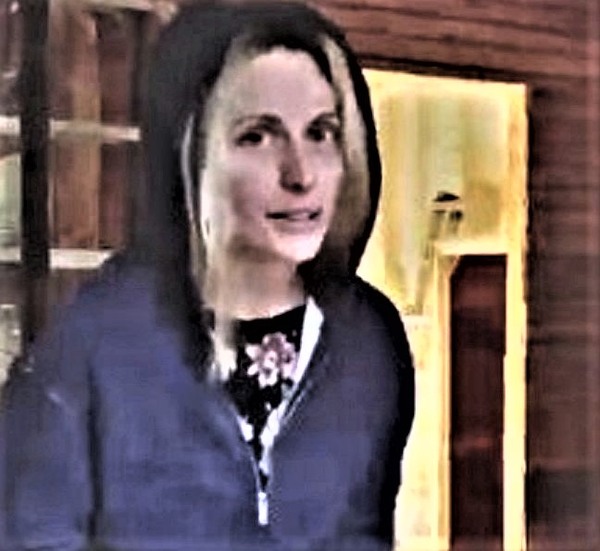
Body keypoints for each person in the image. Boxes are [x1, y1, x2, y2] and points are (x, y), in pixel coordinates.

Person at [0, 2, 415, 550]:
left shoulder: (369, 337)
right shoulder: (96, 339)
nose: (301, 174)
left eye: (321, 132)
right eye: (257, 136)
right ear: (190, 151)